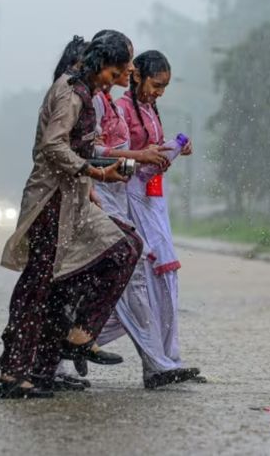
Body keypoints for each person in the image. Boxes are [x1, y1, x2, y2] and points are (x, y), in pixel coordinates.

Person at [0, 33, 142, 399]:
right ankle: (12, 374)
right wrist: (95, 173)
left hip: (74, 200)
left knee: (124, 248)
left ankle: (74, 340)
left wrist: (97, 175)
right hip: (51, 203)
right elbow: (52, 145)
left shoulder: (88, 94)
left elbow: (81, 146)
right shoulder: (71, 92)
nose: (117, 78)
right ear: (98, 64)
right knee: (38, 285)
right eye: (116, 70)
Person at [59, 34, 200, 389]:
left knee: (152, 282)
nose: (127, 70)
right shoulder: (95, 102)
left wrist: (166, 150)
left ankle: (158, 360)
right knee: (132, 278)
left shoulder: (115, 102)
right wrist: (140, 157)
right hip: (112, 194)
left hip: (137, 197)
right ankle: (147, 361)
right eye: (123, 66)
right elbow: (81, 151)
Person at [116, 50, 201, 385]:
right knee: (143, 281)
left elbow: (149, 153)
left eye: (164, 87)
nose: (159, 92)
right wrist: (144, 158)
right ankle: (156, 362)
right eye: (156, 84)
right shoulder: (120, 111)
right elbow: (116, 158)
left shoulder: (150, 110)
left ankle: (168, 358)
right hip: (130, 199)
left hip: (154, 199)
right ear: (136, 75)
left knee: (165, 280)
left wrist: (171, 148)